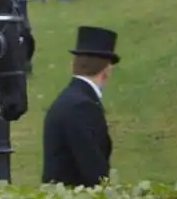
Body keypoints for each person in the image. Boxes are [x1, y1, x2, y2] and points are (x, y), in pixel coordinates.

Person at [41, 25, 119, 188]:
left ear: (74, 65)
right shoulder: (82, 106)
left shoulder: (69, 99)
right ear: (107, 69)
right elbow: (94, 170)